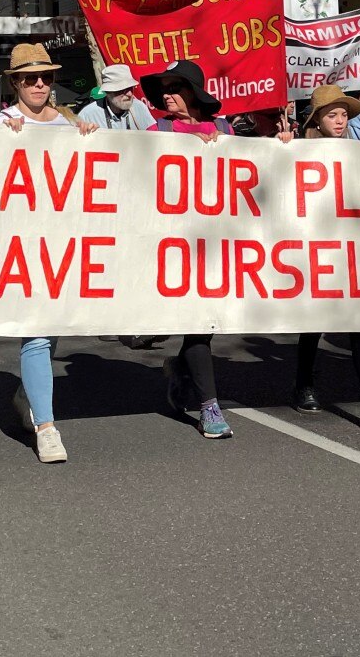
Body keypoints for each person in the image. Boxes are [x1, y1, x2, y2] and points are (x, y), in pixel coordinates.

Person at [0, 42, 97, 462]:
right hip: (20, 243)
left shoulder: (71, 123)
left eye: (46, 76)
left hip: (64, 241)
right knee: (35, 329)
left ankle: (27, 396)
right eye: (30, 77)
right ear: (14, 81)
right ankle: (46, 426)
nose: (39, 84)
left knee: (50, 331)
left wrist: (88, 140)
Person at [292, 83, 360, 429]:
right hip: (316, 248)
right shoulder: (299, 151)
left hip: (352, 248)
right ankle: (304, 385)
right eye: (332, 114)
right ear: (318, 119)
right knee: (314, 323)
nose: (340, 120)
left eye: (343, 114)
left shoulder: (359, 152)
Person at [141, 59, 238, 436]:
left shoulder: (225, 129)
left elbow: (255, 172)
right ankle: (209, 407)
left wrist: (278, 146)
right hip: (176, 242)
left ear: (193, 92)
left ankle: (182, 369)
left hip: (217, 241)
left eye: (174, 88)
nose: (166, 95)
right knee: (198, 322)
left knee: (208, 323)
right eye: (163, 89)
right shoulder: (157, 130)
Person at [78, 64, 155, 131]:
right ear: (108, 92)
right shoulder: (88, 115)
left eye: (131, 88)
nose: (129, 94)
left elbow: (155, 137)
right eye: (122, 90)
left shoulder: (139, 106)